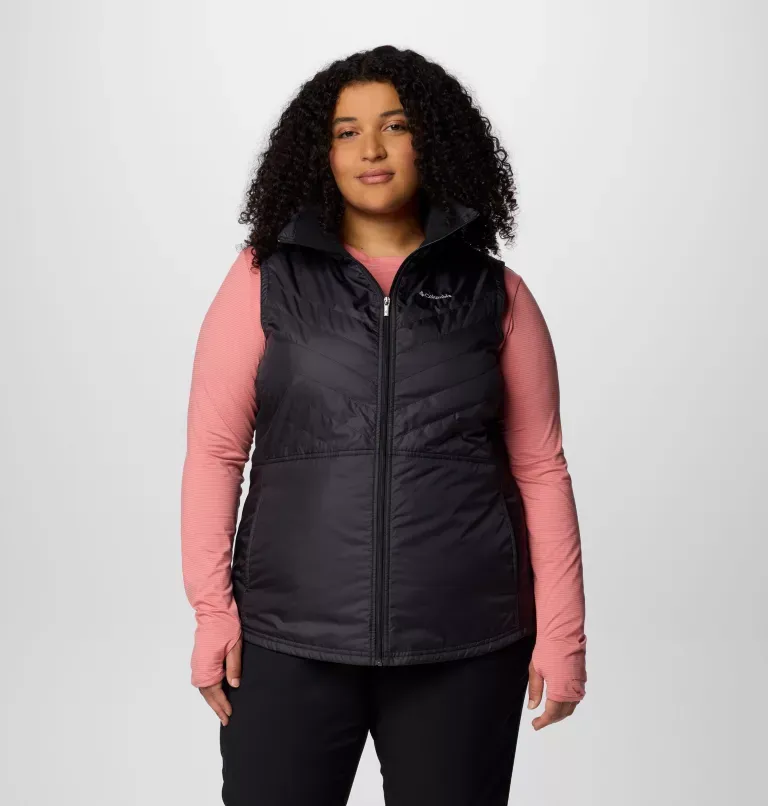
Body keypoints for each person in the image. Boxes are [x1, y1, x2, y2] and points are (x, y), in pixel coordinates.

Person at [181, 45, 587, 806]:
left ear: (432, 142)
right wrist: (212, 613)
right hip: (286, 639)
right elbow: (214, 453)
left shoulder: (497, 294)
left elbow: (541, 467)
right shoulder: (263, 279)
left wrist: (563, 633)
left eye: (395, 127)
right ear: (320, 154)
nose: (370, 149)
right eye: (346, 132)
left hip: (464, 643)